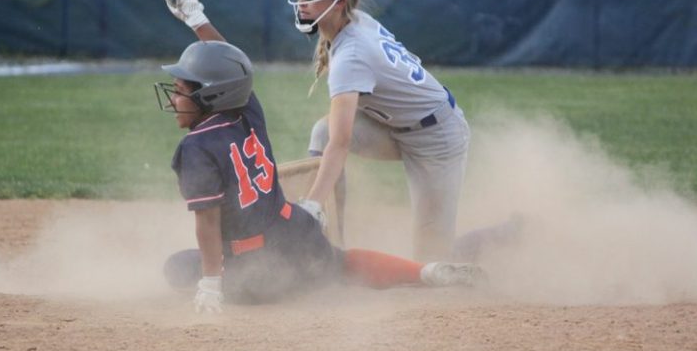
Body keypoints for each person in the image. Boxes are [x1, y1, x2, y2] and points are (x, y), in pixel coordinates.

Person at [163, 0, 472, 263]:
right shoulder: (351, 22)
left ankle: (500, 237)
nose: (301, 2)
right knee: (322, 132)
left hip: (437, 138)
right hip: (396, 127)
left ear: (338, 0)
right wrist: (198, 22)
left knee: (433, 254)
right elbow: (236, 70)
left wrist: (312, 204)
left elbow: (341, 143)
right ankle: (329, 242)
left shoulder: (351, 55)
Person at [154, 33, 486, 313]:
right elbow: (234, 71)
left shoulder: (195, 148)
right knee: (339, 263)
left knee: (177, 266)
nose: (174, 98)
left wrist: (212, 284)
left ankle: (288, 290)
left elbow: (208, 224)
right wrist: (199, 22)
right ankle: (424, 272)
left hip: (258, 271)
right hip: (298, 234)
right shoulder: (247, 112)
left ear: (210, 94)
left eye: (182, 89)